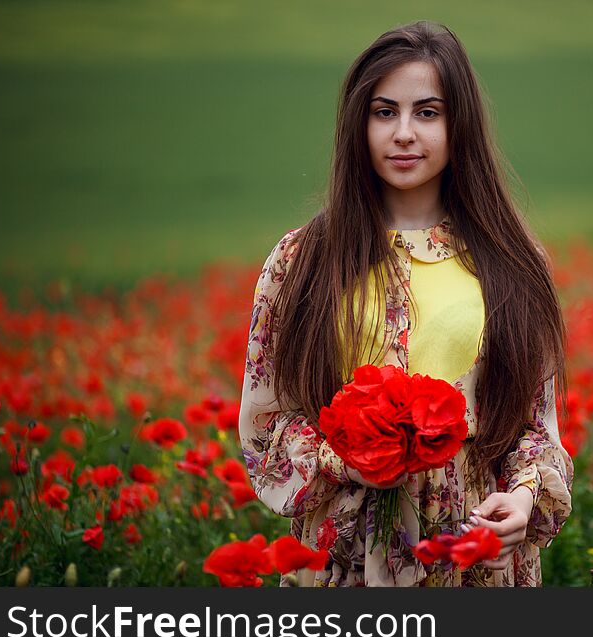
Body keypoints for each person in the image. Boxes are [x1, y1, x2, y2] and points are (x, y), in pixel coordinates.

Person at [238, 20, 573, 587]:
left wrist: (521, 499)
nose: (403, 134)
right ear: (357, 124)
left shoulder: (512, 260)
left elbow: (532, 425)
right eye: (384, 111)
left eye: (427, 112)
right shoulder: (303, 261)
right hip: (346, 546)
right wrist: (354, 456)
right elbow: (266, 424)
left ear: (458, 123)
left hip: (471, 547)